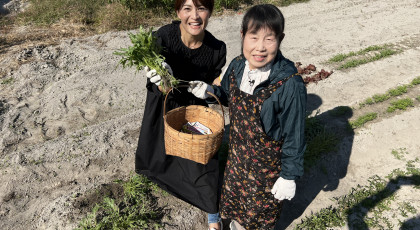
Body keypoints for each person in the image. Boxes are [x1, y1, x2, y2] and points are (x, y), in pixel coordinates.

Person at [188, 4, 307, 229]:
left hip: (266, 170)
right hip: (237, 159)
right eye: (253, 37)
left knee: (258, 217)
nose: (260, 48)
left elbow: (295, 134)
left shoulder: (289, 84)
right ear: (243, 36)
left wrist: (289, 175)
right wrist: (209, 92)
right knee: (235, 207)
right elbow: (226, 96)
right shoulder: (237, 67)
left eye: (269, 39)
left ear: (280, 39)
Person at [134, 0, 226, 229]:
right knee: (155, 161)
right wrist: (157, 78)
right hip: (164, 106)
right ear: (178, 12)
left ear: (210, 12)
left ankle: (213, 216)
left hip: (194, 109)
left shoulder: (216, 48)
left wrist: (209, 91)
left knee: (205, 166)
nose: (195, 16)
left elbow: (218, 87)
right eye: (187, 8)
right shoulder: (163, 37)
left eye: (202, 8)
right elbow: (155, 80)